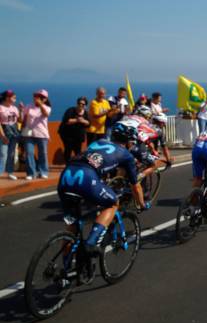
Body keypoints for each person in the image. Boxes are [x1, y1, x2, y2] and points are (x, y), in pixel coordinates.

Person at [58, 123, 149, 256]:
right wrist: (142, 204)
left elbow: (97, 163)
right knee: (113, 203)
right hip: (86, 176)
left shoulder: (98, 142)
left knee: (73, 225)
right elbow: (135, 185)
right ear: (129, 142)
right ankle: (91, 243)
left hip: (66, 174)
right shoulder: (127, 155)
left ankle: (65, 268)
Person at [22, 89, 51, 180]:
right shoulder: (29, 106)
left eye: (41, 97)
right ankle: (31, 173)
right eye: (36, 96)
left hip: (42, 134)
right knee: (29, 153)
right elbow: (24, 118)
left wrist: (41, 104)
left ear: (45, 99)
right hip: (29, 134)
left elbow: (45, 114)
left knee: (42, 153)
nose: (37, 98)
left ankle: (43, 171)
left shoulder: (47, 107)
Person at [58, 97, 90, 162]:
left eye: (83, 104)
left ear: (85, 105)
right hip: (67, 134)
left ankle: (76, 165)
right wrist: (77, 120)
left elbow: (89, 123)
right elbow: (66, 121)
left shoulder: (86, 113)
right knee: (68, 149)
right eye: (79, 103)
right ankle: (67, 164)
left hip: (78, 136)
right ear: (77, 104)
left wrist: (83, 121)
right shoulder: (70, 110)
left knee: (78, 151)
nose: (81, 105)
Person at [0, 90, 21, 180]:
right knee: (3, 153)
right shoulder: (0, 108)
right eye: (13, 97)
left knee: (11, 153)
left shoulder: (15, 108)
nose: (15, 99)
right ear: (7, 98)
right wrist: (2, 136)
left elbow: (19, 120)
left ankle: (10, 172)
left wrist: (21, 110)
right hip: (4, 132)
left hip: (14, 132)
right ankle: (0, 172)